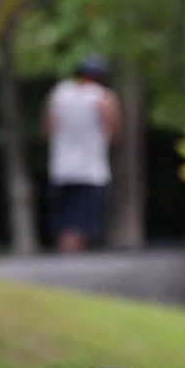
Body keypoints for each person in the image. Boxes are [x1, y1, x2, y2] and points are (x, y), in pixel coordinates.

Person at [43, 56, 119, 253]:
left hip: (61, 166)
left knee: (64, 218)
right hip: (91, 169)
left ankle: (64, 253)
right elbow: (112, 131)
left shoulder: (58, 93)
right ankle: (74, 257)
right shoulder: (103, 97)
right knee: (82, 220)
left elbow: (48, 129)